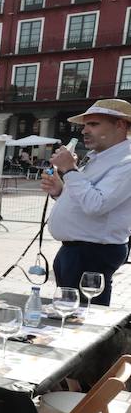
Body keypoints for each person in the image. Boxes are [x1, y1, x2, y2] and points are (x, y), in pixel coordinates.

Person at [42, 100, 131, 305]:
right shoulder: (99, 157)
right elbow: (86, 198)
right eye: (85, 125)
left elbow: (96, 205)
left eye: (93, 124)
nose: (85, 130)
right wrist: (60, 192)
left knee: (83, 322)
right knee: (67, 313)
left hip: (92, 252)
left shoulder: (126, 161)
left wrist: (70, 171)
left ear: (120, 125)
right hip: (77, 250)